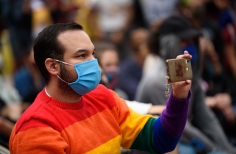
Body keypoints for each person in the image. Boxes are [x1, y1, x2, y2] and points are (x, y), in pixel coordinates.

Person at [9, 22, 192, 154]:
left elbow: (160, 139)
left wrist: (178, 98)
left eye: (93, 54)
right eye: (81, 55)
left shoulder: (102, 96)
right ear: (53, 66)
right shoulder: (35, 127)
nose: (93, 63)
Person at [135, 14, 235, 153]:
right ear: (167, 44)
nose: (189, 46)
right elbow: (180, 128)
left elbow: (206, 118)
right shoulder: (156, 80)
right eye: (183, 41)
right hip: (162, 143)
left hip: (183, 136)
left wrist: (226, 149)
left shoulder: (187, 72)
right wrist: (215, 150)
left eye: (192, 40)